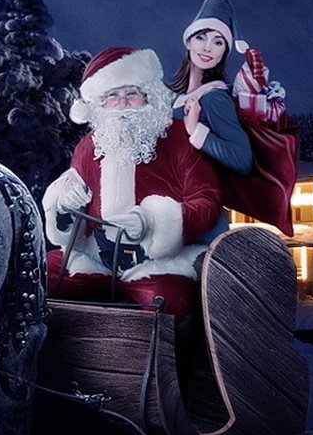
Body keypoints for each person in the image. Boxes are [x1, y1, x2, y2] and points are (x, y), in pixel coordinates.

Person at [41, 47, 225, 316]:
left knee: (167, 303)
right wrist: (65, 204)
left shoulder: (178, 139)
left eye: (132, 94)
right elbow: (72, 221)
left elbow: (207, 201)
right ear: (98, 104)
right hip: (96, 258)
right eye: (112, 96)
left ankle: (174, 358)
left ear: (148, 96)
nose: (122, 104)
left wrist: (152, 222)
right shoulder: (87, 147)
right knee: (34, 280)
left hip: (158, 261)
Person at [172, 0, 300, 235]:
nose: (208, 47)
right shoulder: (173, 100)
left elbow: (242, 160)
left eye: (218, 41)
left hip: (200, 224)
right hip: (171, 218)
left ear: (224, 51)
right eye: (201, 37)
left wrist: (196, 132)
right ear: (188, 41)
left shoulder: (214, 98)